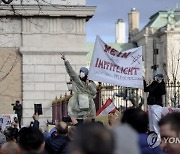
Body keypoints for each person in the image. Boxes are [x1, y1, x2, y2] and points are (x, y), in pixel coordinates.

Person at [61, 54, 97, 123]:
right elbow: (71, 71)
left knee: (90, 121)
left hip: (89, 107)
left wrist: (88, 84)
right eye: (80, 72)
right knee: (79, 121)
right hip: (78, 105)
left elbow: (94, 92)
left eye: (83, 72)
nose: (81, 73)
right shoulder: (77, 80)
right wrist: (65, 61)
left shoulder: (91, 83)